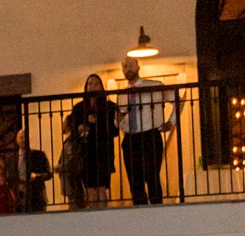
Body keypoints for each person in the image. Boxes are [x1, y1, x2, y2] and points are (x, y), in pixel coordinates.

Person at [119, 56, 179, 207]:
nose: (128, 69)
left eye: (131, 65)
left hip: (149, 135)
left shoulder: (154, 86)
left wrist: (171, 122)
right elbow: (120, 116)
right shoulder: (122, 93)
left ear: (138, 67)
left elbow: (177, 100)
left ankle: (156, 210)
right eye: (125, 66)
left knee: (151, 176)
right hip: (130, 138)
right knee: (134, 181)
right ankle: (141, 213)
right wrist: (119, 121)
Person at [64, 73, 122, 208]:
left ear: (101, 87)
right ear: (86, 87)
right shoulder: (79, 108)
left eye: (96, 83)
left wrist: (98, 122)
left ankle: (103, 211)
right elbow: (73, 129)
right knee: (89, 188)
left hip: (103, 150)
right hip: (86, 152)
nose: (92, 86)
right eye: (90, 83)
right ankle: (93, 213)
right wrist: (82, 127)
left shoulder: (109, 106)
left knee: (102, 187)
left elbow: (114, 131)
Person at [14, 126, 52, 214]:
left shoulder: (39, 155)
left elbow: (49, 174)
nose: (23, 139)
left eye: (25, 137)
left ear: (30, 139)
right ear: (16, 140)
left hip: (37, 196)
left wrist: (36, 176)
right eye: (21, 137)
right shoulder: (12, 158)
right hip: (19, 197)